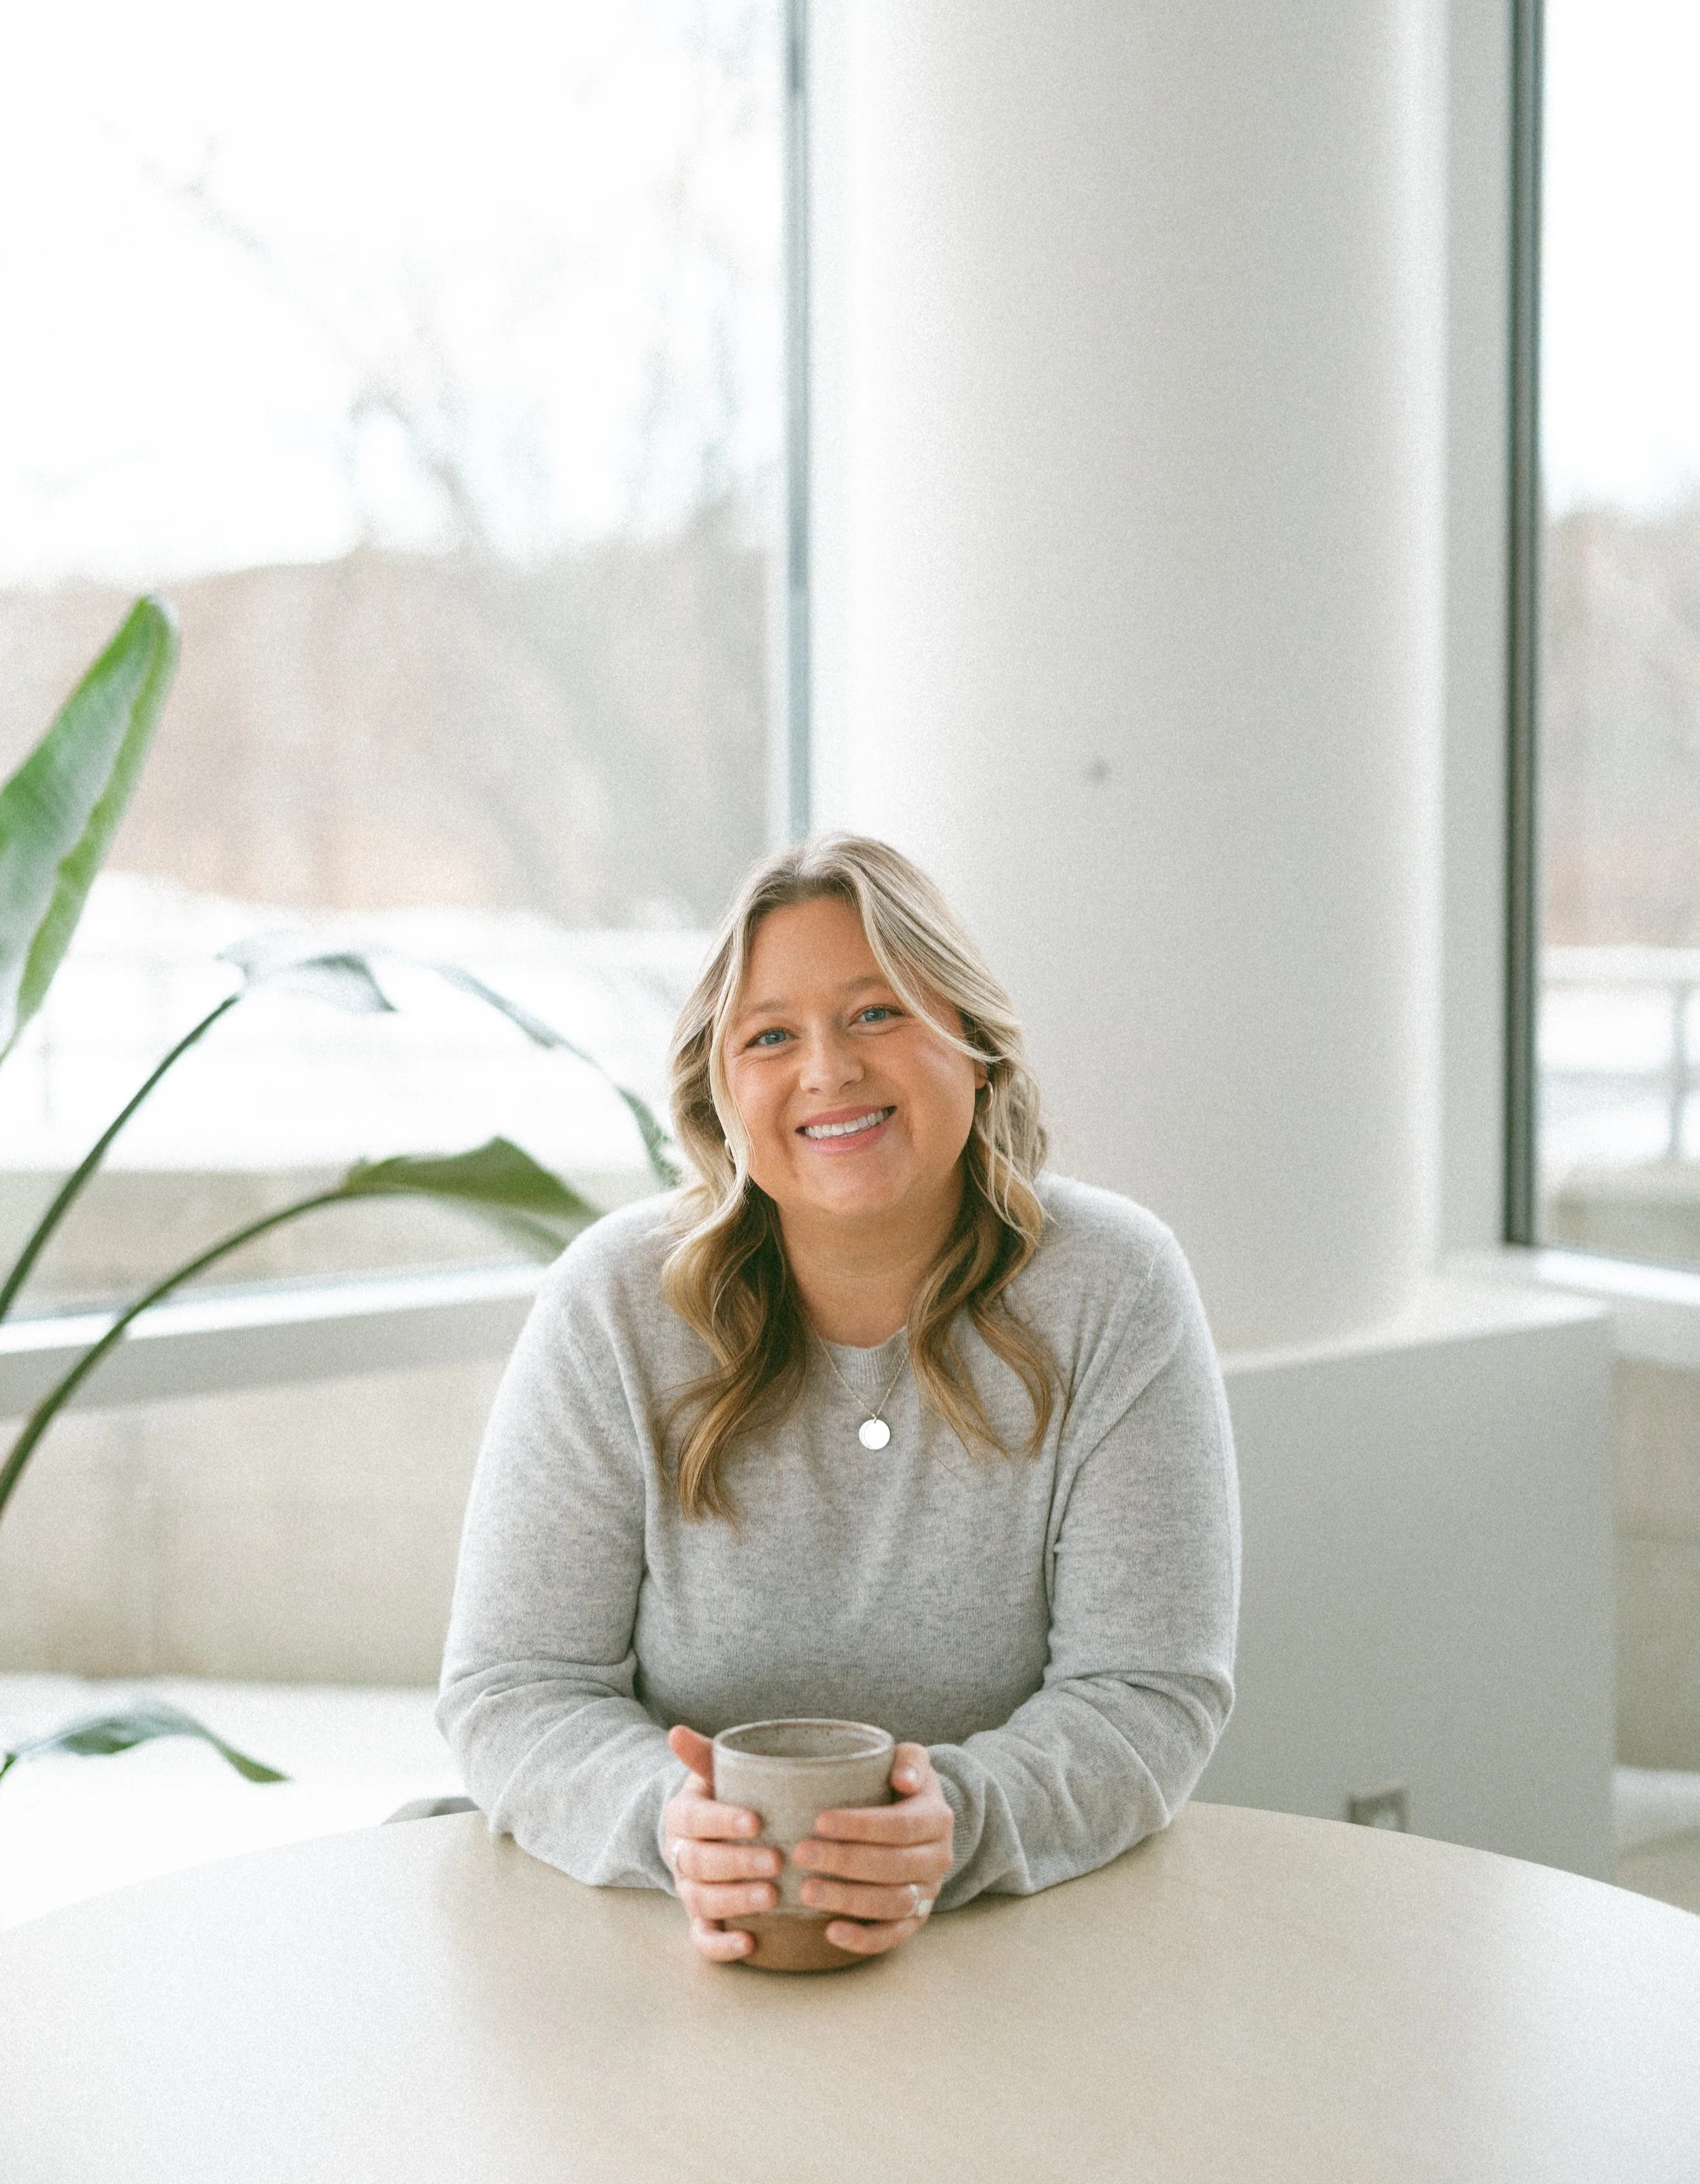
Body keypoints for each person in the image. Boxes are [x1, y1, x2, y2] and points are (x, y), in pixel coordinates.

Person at [438, 835, 1240, 1964]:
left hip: (1017, 1945)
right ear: (723, 1096)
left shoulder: (1114, 1286)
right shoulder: (612, 1306)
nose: (828, 1069)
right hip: (657, 1942)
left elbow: (1147, 1691)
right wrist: (668, 1826)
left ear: (971, 1042)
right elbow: (514, 1688)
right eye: (771, 1036)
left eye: (876, 1013)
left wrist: (954, 1826)